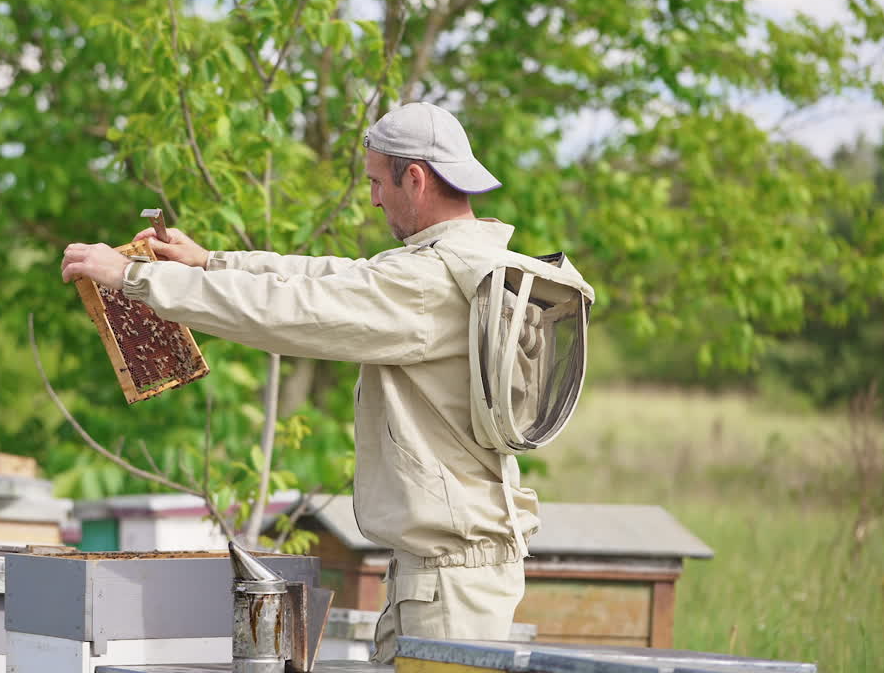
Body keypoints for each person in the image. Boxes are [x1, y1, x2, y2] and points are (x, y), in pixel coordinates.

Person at [61, 102, 553, 662]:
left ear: (414, 179)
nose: (372, 198)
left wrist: (135, 279)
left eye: (375, 182)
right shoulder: (456, 266)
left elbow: (293, 310)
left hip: (449, 584)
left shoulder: (429, 284)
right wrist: (210, 263)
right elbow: (336, 276)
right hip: (444, 575)